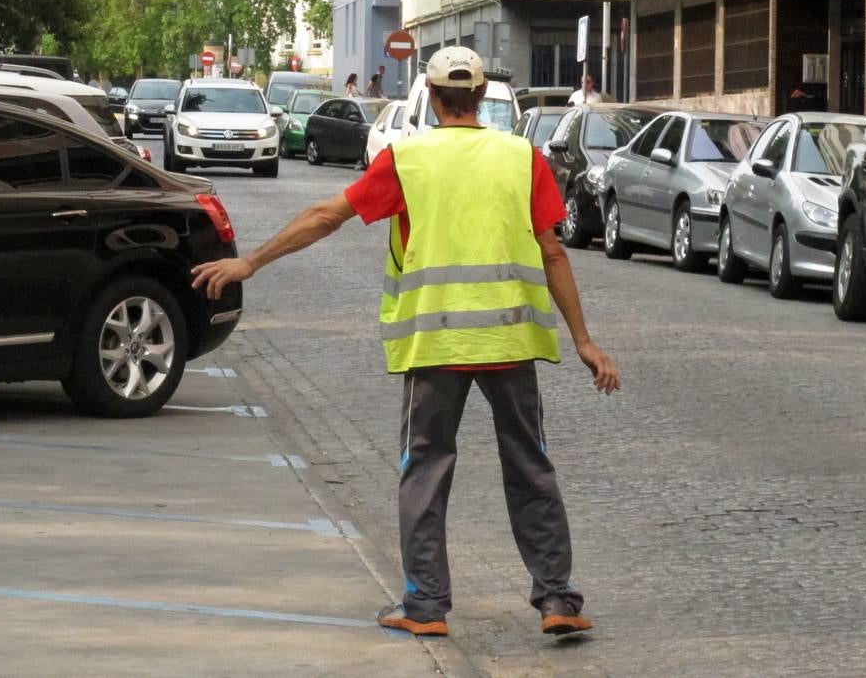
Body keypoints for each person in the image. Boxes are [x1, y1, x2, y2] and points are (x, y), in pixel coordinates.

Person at [191, 45, 620, 640]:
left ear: (432, 97)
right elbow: (551, 251)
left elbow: (325, 216)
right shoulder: (521, 158)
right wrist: (584, 341)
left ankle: (426, 608)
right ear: (481, 98)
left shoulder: (408, 160)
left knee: (424, 469)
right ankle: (556, 600)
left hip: (435, 344)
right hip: (510, 343)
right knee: (530, 466)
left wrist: (253, 262)